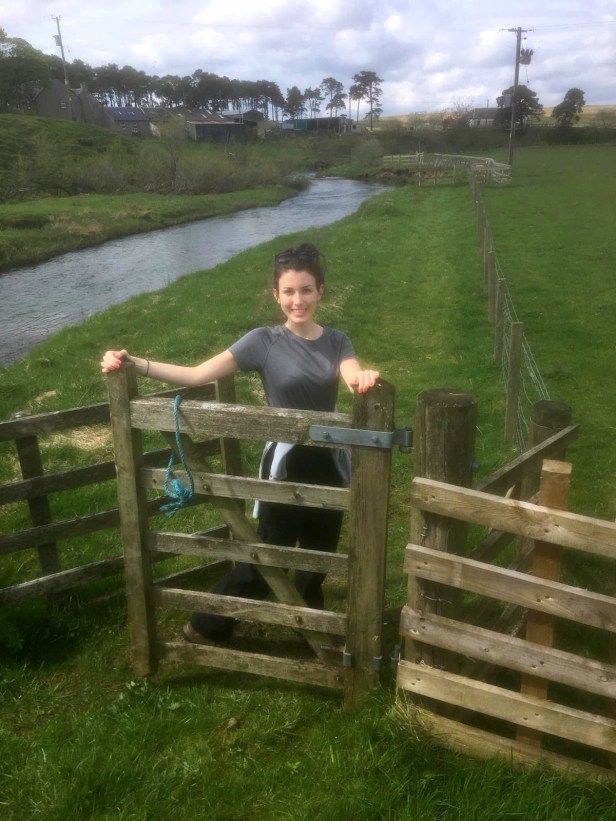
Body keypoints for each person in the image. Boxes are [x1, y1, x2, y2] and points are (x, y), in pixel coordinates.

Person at [101, 242, 379, 646]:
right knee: (269, 554)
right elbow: (196, 375)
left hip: (331, 462)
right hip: (286, 463)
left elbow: (352, 376)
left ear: (320, 291)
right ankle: (206, 624)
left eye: (306, 290)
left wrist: (363, 378)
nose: (298, 300)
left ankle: (315, 631)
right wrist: (135, 363)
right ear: (276, 295)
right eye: (288, 291)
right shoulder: (262, 341)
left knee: (319, 553)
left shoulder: (337, 341)